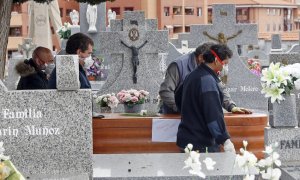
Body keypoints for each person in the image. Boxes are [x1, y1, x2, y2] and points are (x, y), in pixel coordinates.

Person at [159, 42, 251, 114]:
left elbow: (220, 88)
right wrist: (182, 108)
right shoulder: (178, 66)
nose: (213, 61)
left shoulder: (210, 66)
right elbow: (166, 91)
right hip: (174, 115)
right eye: (211, 58)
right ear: (201, 57)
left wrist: (231, 106)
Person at [176, 44, 236, 153]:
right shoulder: (207, 81)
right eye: (225, 64)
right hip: (202, 144)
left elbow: (178, 98)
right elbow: (213, 114)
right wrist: (224, 139)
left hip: (186, 138)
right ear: (216, 61)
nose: (225, 67)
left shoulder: (192, 75)